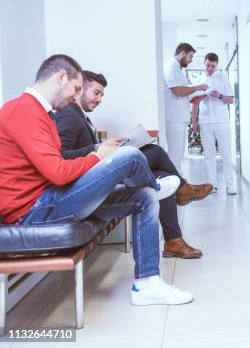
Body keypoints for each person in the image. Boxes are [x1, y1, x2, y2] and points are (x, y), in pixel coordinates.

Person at [0, 54, 194, 306]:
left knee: (143, 198)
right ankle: (156, 186)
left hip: (49, 200)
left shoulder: (40, 112)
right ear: (60, 77)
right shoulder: (23, 110)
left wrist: (98, 157)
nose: (75, 96)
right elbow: (58, 172)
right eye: (76, 88)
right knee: (130, 155)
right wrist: (98, 156)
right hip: (34, 210)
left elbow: (54, 169)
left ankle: (147, 284)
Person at [55, 70, 213, 259]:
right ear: (80, 90)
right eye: (96, 93)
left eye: (102, 95)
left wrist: (107, 146)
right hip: (90, 182)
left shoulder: (81, 116)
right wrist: (98, 148)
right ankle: (183, 189)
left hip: (98, 172)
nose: (99, 99)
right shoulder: (68, 115)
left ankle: (173, 241)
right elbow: (62, 156)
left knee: (163, 177)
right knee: (155, 152)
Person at [190, 52, 237, 195]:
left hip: (222, 121)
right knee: (209, 156)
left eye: (213, 66)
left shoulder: (223, 78)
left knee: (226, 154)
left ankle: (230, 186)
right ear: (203, 64)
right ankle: (212, 186)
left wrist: (220, 96)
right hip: (205, 122)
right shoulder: (198, 80)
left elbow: (231, 100)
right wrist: (194, 122)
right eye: (208, 65)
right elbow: (194, 103)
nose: (210, 68)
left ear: (217, 66)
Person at [164, 43, 208, 174]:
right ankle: (175, 186)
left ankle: (178, 182)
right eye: (190, 56)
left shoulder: (177, 69)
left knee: (178, 153)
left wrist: (195, 97)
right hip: (173, 117)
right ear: (183, 53)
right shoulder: (170, 67)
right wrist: (197, 88)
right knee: (175, 153)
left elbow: (181, 93)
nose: (191, 60)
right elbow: (177, 90)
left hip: (179, 116)